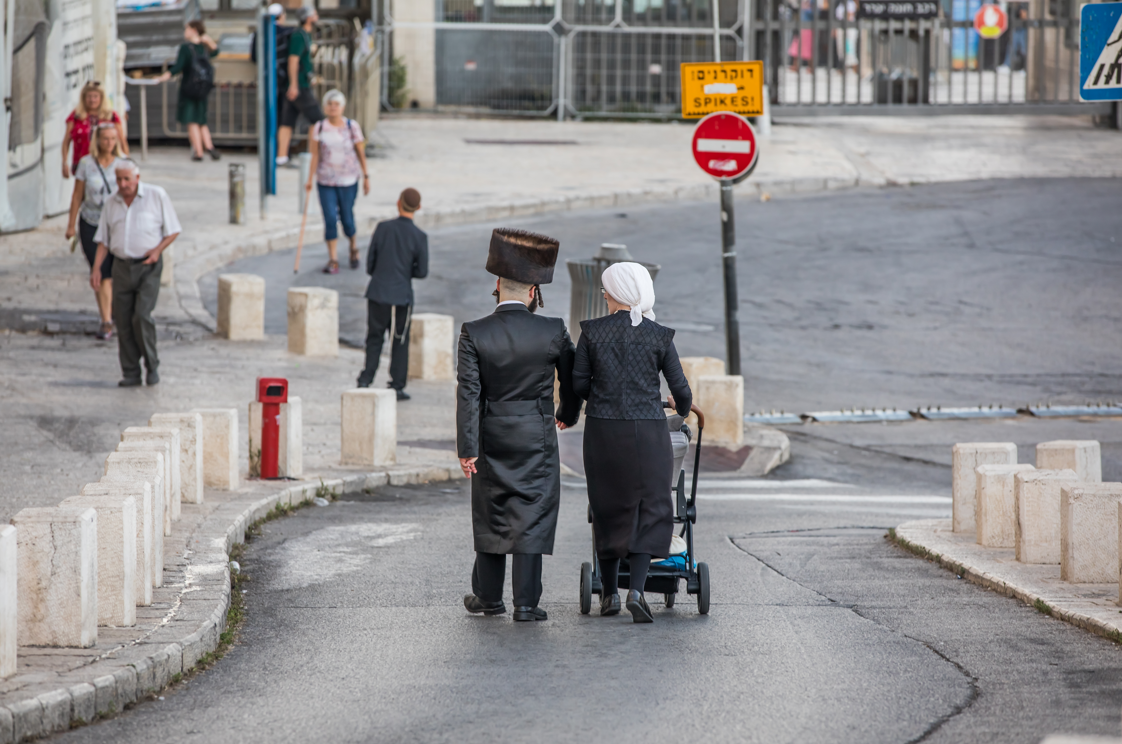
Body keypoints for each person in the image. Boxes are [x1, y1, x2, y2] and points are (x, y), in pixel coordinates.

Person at [457, 228, 582, 622]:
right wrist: (567, 412)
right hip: (537, 432)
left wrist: (467, 447)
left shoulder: (473, 332)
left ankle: (488, 598)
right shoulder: (552, 329)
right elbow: (575, 379)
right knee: (532, 511)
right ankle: (526, 604)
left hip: (491, 433)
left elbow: (468, 394)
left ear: (497, 285)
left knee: (492, 510)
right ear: (533, 292)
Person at [572, 262, 692, 623]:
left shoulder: (591, 332)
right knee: (650, 507)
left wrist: (600, 394)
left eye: (606, 290)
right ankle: (637, 591)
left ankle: (608, 594)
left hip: (604, 431)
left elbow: (578, 387)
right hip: (648, 432)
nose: (604, 295)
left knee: (607, 507)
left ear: (615, 293)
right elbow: (681, 394)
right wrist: (678, 407)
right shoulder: (659, 335)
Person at [90, 161, 182, 387]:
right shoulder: (112, 202)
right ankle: (130, 372)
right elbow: (103, 239)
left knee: (141, 315)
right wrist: (96, 269)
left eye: (127, 179)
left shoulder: (156, 196)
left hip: (148, 266)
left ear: (137, 178)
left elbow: (173, 230)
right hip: (121, 266)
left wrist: (157, 251)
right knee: (123, 320)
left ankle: (152, 365)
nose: (123, 184)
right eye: (119, 180)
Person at [357, 188, 428, 398]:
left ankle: (365, 379)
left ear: (398, 203)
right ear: (419, 207)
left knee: (374, 337)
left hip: (378, 291)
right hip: (401, 297)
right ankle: (397, 385)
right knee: (399, 340)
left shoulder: (382, 228)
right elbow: (422, 271)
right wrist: (406, 273)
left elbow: (370, 264)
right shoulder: (419, 236)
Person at [66, 124, 127, 340]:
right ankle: (106, 320)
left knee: (116, 270)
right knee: (100, 270)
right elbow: (77, 195)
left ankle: (115, 313)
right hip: (91, 222)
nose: (109, 143)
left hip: (117, 224)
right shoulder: (86, 164)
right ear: (97, 140)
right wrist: (71, 224)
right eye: (105, 139)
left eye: (113, 139)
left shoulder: (124, 164)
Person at [304, 89, 369, 274]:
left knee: (347, 218)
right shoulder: (319, 127)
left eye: (336, 104)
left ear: (343, 107)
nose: (333, 108)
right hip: (325, 180)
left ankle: (353, 246)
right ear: (325, 107)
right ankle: (333, 258)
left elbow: (360, 152)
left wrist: (366, 176)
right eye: (330, 104)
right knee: (330, 219)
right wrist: (309, 178)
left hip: (349, 180)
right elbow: (315, 154)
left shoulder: (351, 126)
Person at [156, 20, 220, 162]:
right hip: (203, 88)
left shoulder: (186, 48)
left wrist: (164, 76)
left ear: (194, 30)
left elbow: (178, 66)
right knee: (201, 119)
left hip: (189, 87)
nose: (185, 32)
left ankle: (198, 151)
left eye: (187, 29)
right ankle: (209, 146)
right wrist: (208, 40)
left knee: (191, 121)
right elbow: (215, 51)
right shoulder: (204, 47)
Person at [277, 6, 323, 167]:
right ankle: (312, 156)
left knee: (287, 121)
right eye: (315, 14)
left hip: (301, 83)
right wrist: (294, 84)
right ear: (308, 17)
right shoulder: (299, 35)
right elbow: (293, 60)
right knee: (317, 121)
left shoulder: (306, 35)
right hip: (299, 86)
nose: (317, 16)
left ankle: (281, 157)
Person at [62, 81, 128, 180]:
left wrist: (127, 164)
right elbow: (66, 140)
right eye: (89, 96)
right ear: (84, 98)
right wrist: (64, 162)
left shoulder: (111, 115)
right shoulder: (76, 116)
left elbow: (122, 140)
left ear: (101, 98)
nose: (92, 100)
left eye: (95, 96)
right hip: (83, 163)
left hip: (108, 164)